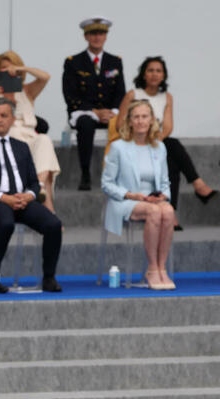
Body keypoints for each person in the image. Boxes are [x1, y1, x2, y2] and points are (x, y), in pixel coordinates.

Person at [0, 97, 63, 294]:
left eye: (4, 115)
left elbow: (35, 183)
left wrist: (28, 195)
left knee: (53, 225)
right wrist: (4, 198)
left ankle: (49, 278)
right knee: (5, 222)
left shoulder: (21, 146)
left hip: (21, 200)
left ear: (12, 120)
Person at [117, 56, 216, 214]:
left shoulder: (167, 97)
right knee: (173, 144)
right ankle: (197, 184)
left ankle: (170, 210)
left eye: (158, 71)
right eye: (150, 70)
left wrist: (155, 143)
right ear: (144, 74)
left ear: (163, 75)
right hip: (135, 142)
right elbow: (120, 124)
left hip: (156, 143)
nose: (155, 74)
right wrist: (144, 138)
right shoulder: (133, 94)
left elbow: (168, 127)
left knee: (171, 163)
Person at [101, 100, 176, 290]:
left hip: (152, 199)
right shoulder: (118, 147)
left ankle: (161, 267)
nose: (141, 121)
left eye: (145, 116)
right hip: (125, 200)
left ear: (152, 120)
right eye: (137, 117)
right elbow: (106, 184)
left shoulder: (159, 147)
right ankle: (151, 268)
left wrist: (163, 196)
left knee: (167, 211)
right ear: (130, 121)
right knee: (154, 212)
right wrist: (130, 195)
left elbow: (166, 183)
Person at [0, 51, 60, 213]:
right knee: (35, 155)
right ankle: (48, 208)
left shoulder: (27, 91)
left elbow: (45, 77)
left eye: (10, 68)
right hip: (8, 139)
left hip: (29, 138)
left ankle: (39, 187)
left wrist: (22, 68)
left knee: (44, 139)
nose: (7, 72)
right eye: (3, 69)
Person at [62, 17, 125, 190]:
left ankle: (121, 174)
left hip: (110, 112)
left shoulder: (115, 61)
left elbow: (120, 92)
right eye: (92, 33)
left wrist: (111, 111)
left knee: (122, 124)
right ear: (85, 36)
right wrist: (95, 112)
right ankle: (85, 173)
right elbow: (70, 94)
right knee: (86, 124)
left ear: (106, 36)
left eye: (101, 33)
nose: (97, 37)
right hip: (84, 112)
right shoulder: (73, 62)